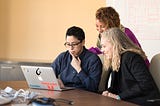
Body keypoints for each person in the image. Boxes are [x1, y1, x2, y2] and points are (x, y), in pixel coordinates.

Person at [100, 28, 160, 105]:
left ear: (115, 44)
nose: (102, 50)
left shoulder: (132, 57)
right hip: (129, 100)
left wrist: (119, 97)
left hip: (146, 101)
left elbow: (145, 84)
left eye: (104, 46)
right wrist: (108, 92)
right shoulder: (116, 59)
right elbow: (116, 87)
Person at [51, 26, 102, 92]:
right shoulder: (63, 57)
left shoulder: (93, 60)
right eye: (68, 44)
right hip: (64, 93)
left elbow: (93, 87)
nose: (71, 48)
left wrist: (79, 69)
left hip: (85, 96)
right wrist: (55, 81)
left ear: (83, 42)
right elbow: (49, 74)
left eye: (74, 44)